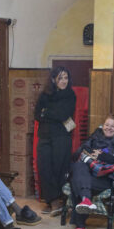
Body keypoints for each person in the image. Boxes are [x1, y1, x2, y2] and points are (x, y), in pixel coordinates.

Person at [68, 114, 114, 229]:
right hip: (88, 174)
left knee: (77, 181)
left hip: (107, 178)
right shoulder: (94, 138)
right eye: (107, 125)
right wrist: (89, 153)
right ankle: (86, 201)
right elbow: (78, 153)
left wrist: (105, 157)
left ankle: (80, 227)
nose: (109, 128)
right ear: (103, 126)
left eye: (113, 126)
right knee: (79, 166)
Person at [35, 66, 76, 215]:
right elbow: (37, 114)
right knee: (44, 168)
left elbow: (63, 114)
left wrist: (47, 112)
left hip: (61, 137)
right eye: (60, 78)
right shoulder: (45, 95)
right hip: (45, 136)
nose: (64, 81)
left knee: (59, 168)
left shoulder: (70, 95)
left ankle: (58, 200)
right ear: (53, 79)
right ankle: (50, 200)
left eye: (66, 78)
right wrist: (51, 114)